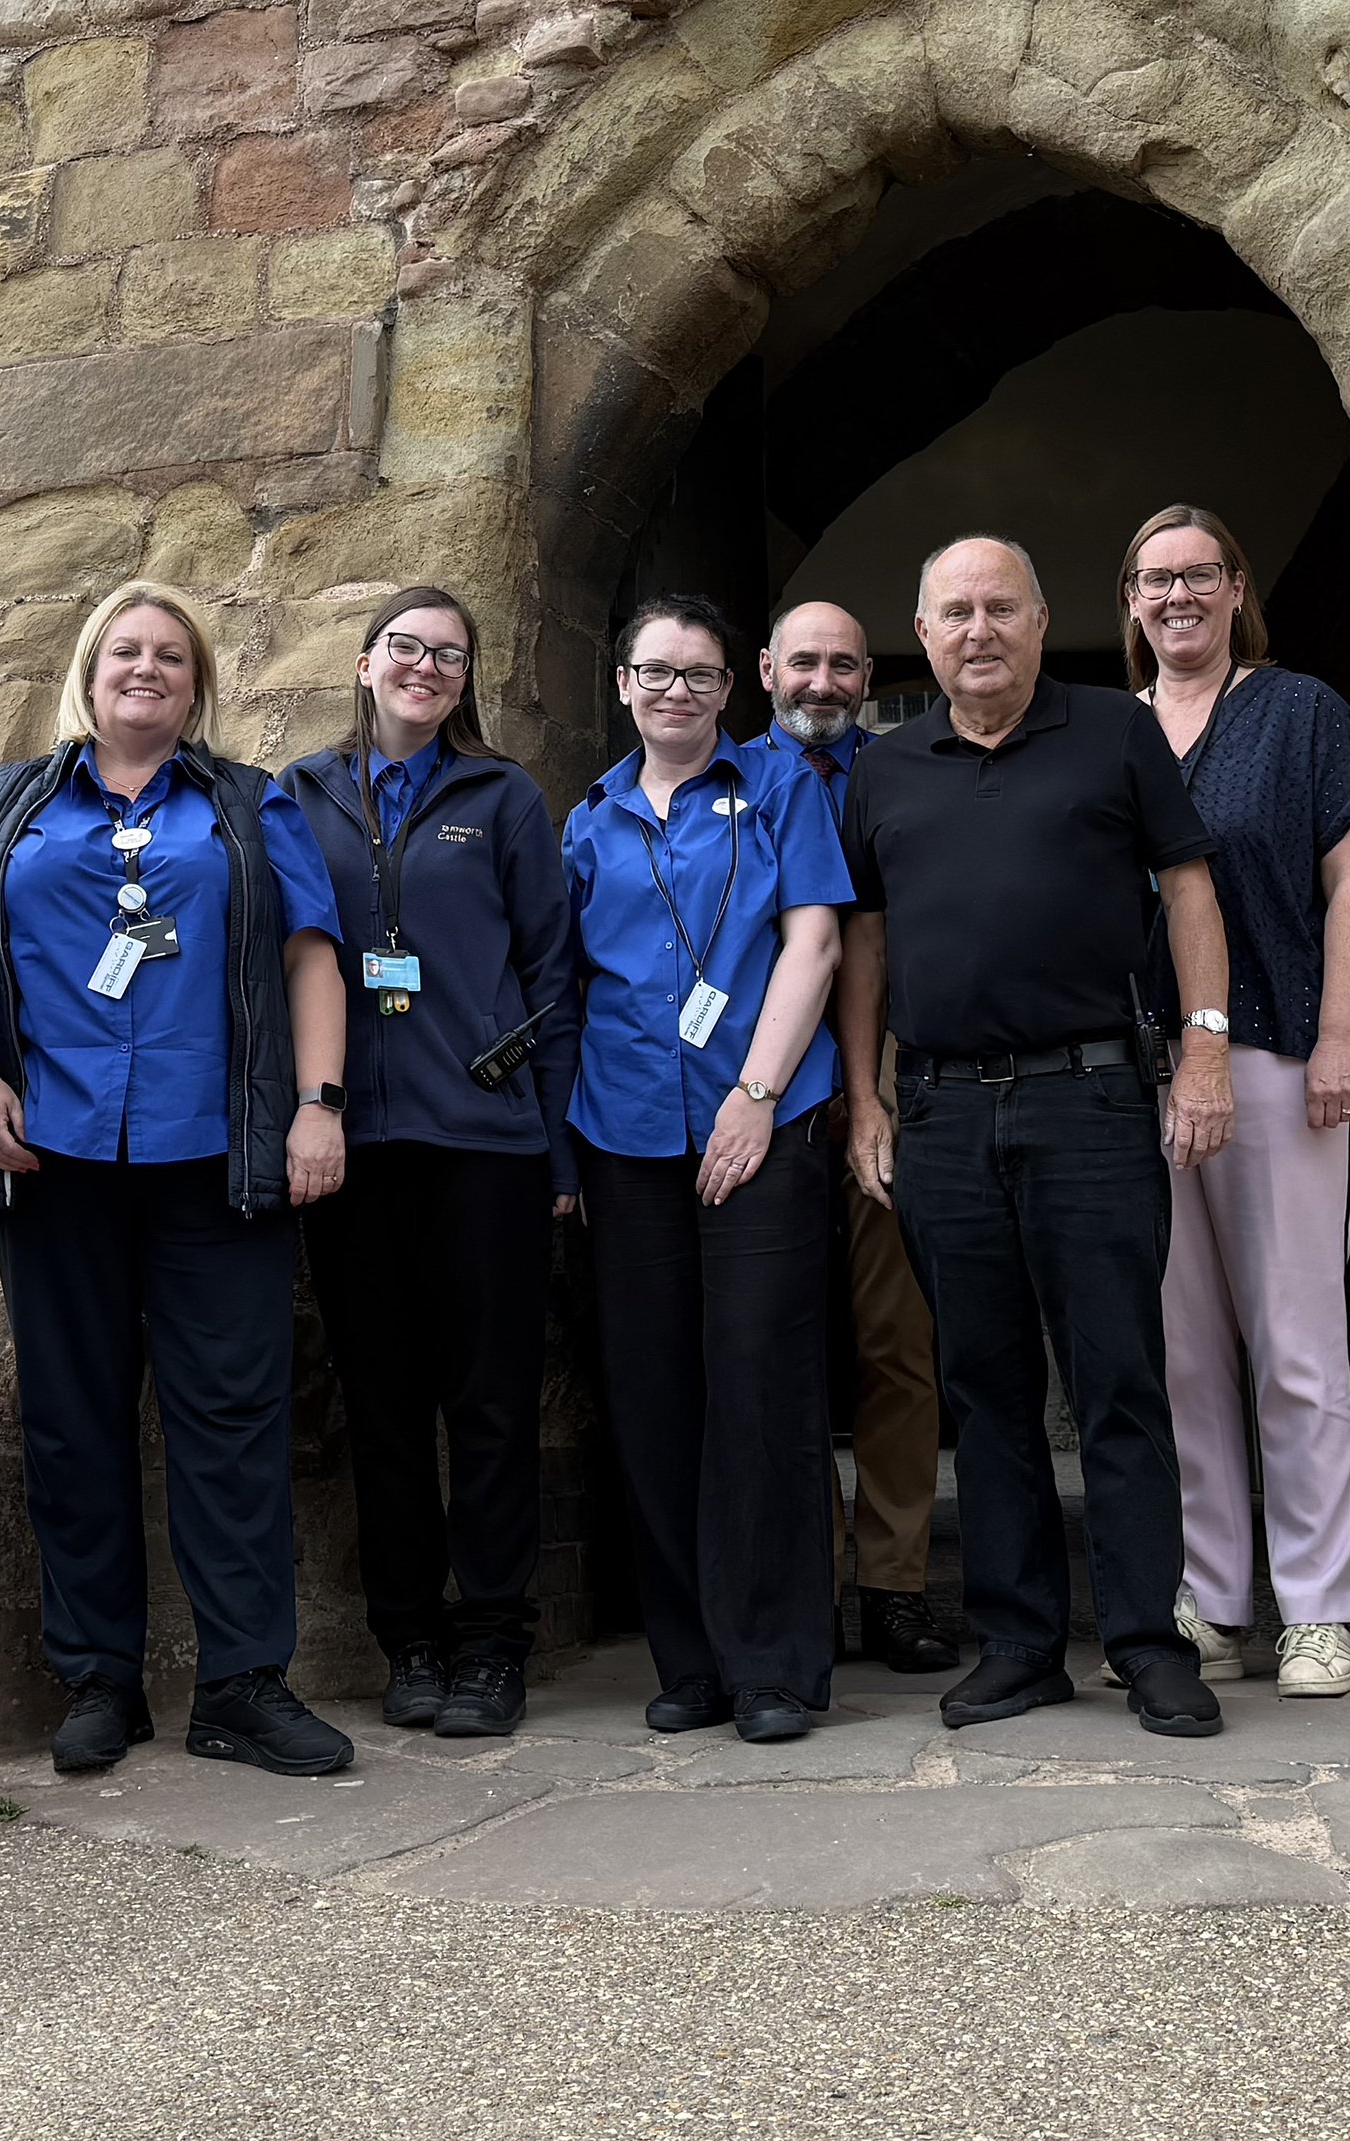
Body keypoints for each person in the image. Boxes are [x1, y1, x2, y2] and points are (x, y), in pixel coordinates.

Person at [0, 582, 358, 1779]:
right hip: (51, 1155)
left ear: (197, 684)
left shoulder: (246, 803)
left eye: (171, 655)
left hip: (215, 1155)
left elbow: (310, 955)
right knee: (72, 1421)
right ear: (87, 670)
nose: (147, 667)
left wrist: (319, 1107)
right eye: (125, 649)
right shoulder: (11, 805)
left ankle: (240, 1682)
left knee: (231, 1421)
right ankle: (98, 1680)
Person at [836, 534, 1235, 1741]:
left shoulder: (1115, 731)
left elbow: (1190, 890)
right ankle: (1017, 1642)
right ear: (924, 630)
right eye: (954, 611)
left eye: (1000, 607)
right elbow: (866, 940)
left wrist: (1205, 1046)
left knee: (1119, 1379)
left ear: (1041, 614)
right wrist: (866, 1095)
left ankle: (1146, 1642)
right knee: (985, 1385)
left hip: (1094, 1096)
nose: (978, 630)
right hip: (946, 1110)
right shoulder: (886, 770)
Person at [279, 588, 578, 1739]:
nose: (425, 667)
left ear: (467, 678)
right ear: (363, 664)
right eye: (406, 647)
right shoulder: (296, 796)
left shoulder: (504, 796)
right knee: (385, 1403)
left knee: (493, 1401)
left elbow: (552, 975)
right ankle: (411, 1638)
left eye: (448, 655)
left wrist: (551, 1141)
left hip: (486, 1146)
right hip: (350, 1149)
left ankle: (494, 1636)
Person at [564, 592, 849, 1745]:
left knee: (760, 1390)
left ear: (732, 690)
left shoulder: (778, 785)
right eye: (656, 672)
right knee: (654, 1396)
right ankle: (689, 1658)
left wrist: (756, 1094)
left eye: (699, 674)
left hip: (761, 1126)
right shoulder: (583, 821)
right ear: (623, 685)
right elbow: (564, 983)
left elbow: (815, 938)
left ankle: (773, 1660)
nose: (676, 691)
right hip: (624, 1132)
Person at [1121, 504, 1350, 1699]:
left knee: (1294, 1343)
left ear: (1236, 588)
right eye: (1154, 579)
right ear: (1129, 601)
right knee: (1180, 1353)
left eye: (1198, 575)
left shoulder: (1301, 713)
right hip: (1137, 1077)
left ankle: (1321, 1604)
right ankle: (1213, 1594)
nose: (1177, 596)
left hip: (1282, 1054)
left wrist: (1342, 1033)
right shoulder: (1104, 733)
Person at [743, 600, 956, 1678]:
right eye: (804, 662)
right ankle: (802, 1585)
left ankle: (895, 1584)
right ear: (766, 666)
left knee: (896, 1344)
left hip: (891, 1093)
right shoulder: (719, 779)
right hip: (762, 1101)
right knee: (776, 1349)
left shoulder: (912, 770)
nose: (821, 682)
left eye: (843, 664)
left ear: (868, 672)